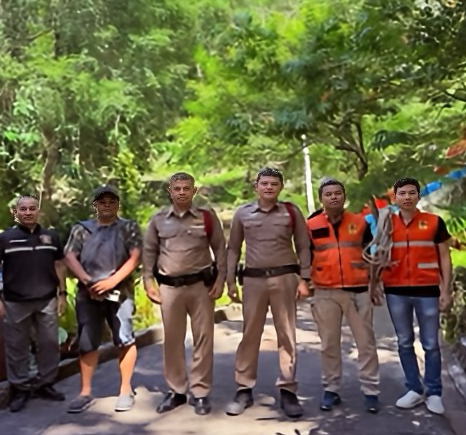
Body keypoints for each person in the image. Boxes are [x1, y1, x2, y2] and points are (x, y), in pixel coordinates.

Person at [224, 167, 311, 419]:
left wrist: (304, 279)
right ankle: (243, 388)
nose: (269, 187)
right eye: (265, 183)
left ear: (280, 187)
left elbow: (303, 246)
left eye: (274, 183)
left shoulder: (291, 212)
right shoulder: (243, 214)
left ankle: (288, 390)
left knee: (286, 333)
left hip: (285, 278)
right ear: (256, 187)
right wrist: (230, 280)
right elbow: (233, 249)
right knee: (250, 334)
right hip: (253, 280)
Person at [142, 172, 226, 416]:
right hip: (169, 288)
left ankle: (200, 392)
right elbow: (149, 251)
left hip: (201, 287)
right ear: (170, 191)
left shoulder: (207, 218)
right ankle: (177, 390)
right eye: (176, 188)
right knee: (172, 341)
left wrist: (221, 280)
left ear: (194, 191)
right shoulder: (158, 220)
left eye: (186, 188)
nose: (181, 192)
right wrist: (148, 280)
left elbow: (220, 249)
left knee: (203, 338)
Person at [374, 177, 454, 415]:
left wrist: (446, 289)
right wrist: (376, 283)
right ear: (394, 198)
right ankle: (414, 389)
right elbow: (378, 254)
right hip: (396, 290)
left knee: (430, 344)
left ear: (419, 197)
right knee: (404, 342)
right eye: (402, 194)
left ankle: (435, 393)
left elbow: (445, 257)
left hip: (427, 290)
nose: (407, 197)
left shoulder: (433, 222)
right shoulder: (386, 224)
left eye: (411, 193)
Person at [0, 194, 68, 413]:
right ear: (16, 212)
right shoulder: (5, 239)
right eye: (23, 209)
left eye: (32, 208)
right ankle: (20, 388)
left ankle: (45, 384)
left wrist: (62, 294)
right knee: (17, 347)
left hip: (47, 300)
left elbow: (59, 265)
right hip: (15, 302)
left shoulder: (51, 237)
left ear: (38, 211)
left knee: (49, 344)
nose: (28, 213)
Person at [64, 185, 143, 414]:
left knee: (124, 339)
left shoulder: (128, 227)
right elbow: (70, 255)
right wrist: (88, 281)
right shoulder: (81, 229)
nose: (107, 205)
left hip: (120, 293)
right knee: (87, 342)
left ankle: (126, 389)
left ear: (118, 204)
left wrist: (112, 281)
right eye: (102, 201)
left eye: (111, 201)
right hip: (87, 293)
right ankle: (85, 392)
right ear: (95, 204)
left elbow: (135, 256)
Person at [306, 177, 382, 413]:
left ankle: (371, 391)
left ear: (344, 196)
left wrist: (375, 285)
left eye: (338, 193)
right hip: (325, 292)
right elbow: (304, 256)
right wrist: (303, 284)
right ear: (321, 199)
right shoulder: (311, 225)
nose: (333, 197)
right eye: (328, 194)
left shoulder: (359, 222)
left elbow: (371, 256)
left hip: (358, 291)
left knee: (366, 343)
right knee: (329, 344)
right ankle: (331, 389)